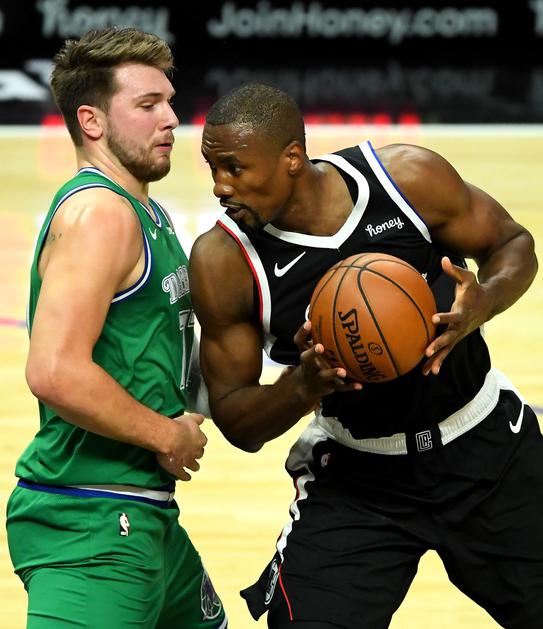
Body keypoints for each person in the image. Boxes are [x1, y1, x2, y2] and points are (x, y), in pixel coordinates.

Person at [188, 82, 541, 629]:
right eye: (213, 168)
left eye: (234, 168)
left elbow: (513, 244)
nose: (219, 186)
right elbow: (237, 420)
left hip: (487, 450)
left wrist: (484, 301)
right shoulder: (224, 261)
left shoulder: (406, 180)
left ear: (292, 159)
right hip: (358, 477)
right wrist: (301, 386)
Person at [6, 27, 227, 629]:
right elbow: (54, 372)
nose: (171, 119)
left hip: (142, 511)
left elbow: (153, 356)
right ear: (92, 122)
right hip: (90, 520)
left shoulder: (144, 210)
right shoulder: (101, 214)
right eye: (148, 105)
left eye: (170, 102)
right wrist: (166, 435)